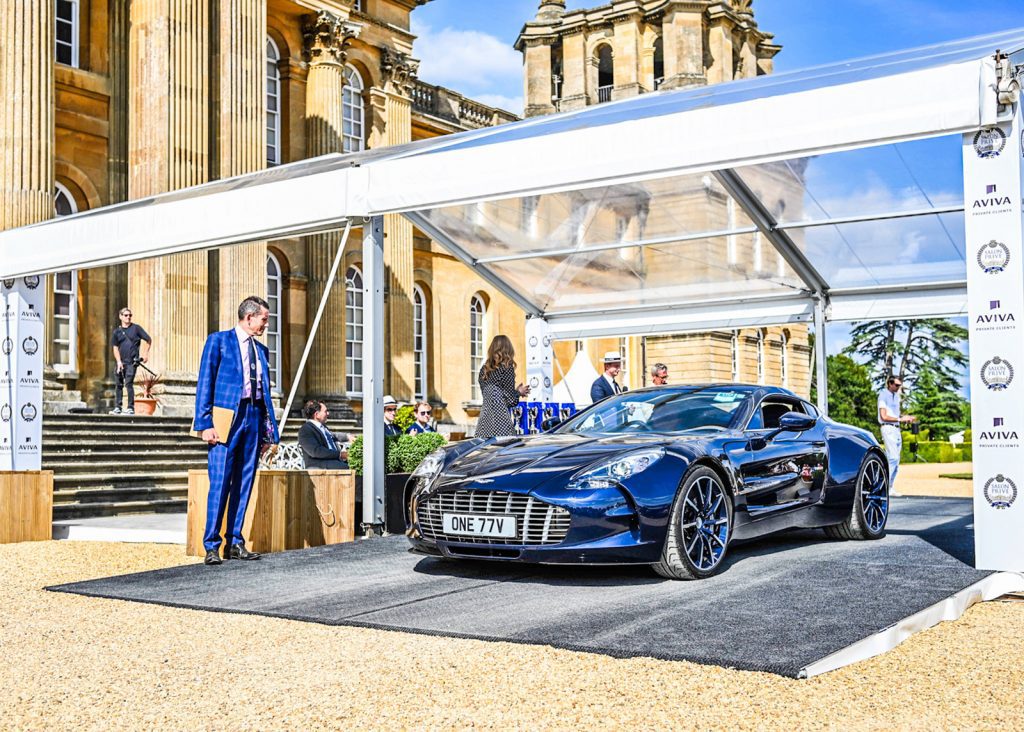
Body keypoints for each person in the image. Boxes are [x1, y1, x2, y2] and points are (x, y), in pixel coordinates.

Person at [193, 296, 280, 566]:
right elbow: (205, 383)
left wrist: (267, 434)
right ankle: (211, 545)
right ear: (249, 317)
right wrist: (204, 424)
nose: (266, 324)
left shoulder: (262, 350)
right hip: (225, 418)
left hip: (253, 416)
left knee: (245, 481)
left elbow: (265, 395)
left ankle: (235, 541)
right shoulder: (218, 341)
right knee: (220, 482)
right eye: (264, 319)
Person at [475, 335, 529, 438]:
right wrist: (519, 392)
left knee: (485, 447)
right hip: (500, 421)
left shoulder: (484, 370)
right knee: (506, 446)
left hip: (484, 420)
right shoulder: (507, 368)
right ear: (508, 349)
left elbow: (492, 397)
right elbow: (510, 401)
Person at [878, 375, 916, 495]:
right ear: (890, 384)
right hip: (888, 428)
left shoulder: (896, 396)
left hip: (896, 429)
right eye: (896, 385)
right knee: (893, 458)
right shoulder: (883, 395)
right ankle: (883, 487)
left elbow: (895, 415)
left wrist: (905, 418)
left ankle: (889, 487)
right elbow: (883, 416)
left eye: (900, 385)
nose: (899, 387)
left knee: (896, 460)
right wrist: (900, 419)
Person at [110, 307, 152, 415]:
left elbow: (148, 340)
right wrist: (118, 361)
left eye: (130, 315)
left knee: (128, 384)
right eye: (126, 315)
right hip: (121, 362)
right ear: (120, 317)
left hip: (132, 362)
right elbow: (115, 348)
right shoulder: (117, 332)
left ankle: (130, 408)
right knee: (118, 384)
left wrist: (145, 354)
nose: (128, 317)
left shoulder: (136, 328)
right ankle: (118, 407)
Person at [298, 400, 349, 469]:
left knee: (360, 464)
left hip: (332, 462)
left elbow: (332, 436)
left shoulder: (322, 427)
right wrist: (340, 454)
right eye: (325, 411)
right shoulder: (305, 429)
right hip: (319, 466)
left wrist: (347, 436)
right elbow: (316, 451)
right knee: (352, 469)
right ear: (317, 415)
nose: (328, 413)